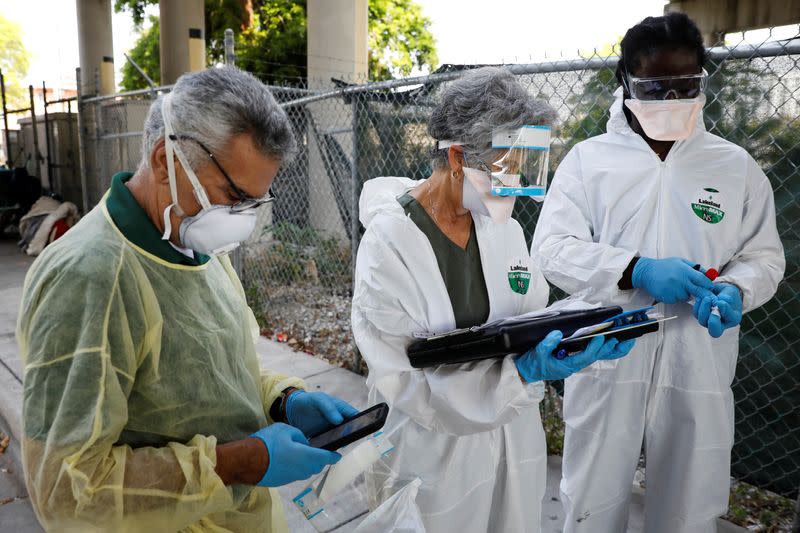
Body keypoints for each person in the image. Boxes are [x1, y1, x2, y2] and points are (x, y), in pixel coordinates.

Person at [16, 66, 359, 533]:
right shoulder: (90, 277)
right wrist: (237, 464)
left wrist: (284, 400)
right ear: (165, 161)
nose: (241, 221)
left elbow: (215, 372)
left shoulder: (191, 240)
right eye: (233, 196)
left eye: (253, 204)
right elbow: (68, 488)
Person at [351, 66, 636, 533]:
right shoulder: (388, 244)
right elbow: (403, 378)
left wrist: (572, 334)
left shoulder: (506, 230)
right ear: (459, 157)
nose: (518, 178)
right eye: (508, 163)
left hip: (511, 440)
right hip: (431, 452)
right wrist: (519, 374)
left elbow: (530, 316)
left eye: (526, 163)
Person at [531, 13, 785, 533]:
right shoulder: (589, 162)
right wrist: (634, 268)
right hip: (607, 350)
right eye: (655, 87)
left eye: (686, 85)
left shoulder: (733, 167)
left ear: (701, 81)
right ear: (625, 82)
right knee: (591, 499)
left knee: (690, 504)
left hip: (699, 354)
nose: (672, 100)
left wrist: (738, 288)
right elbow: (551, 249)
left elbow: (765, 255)